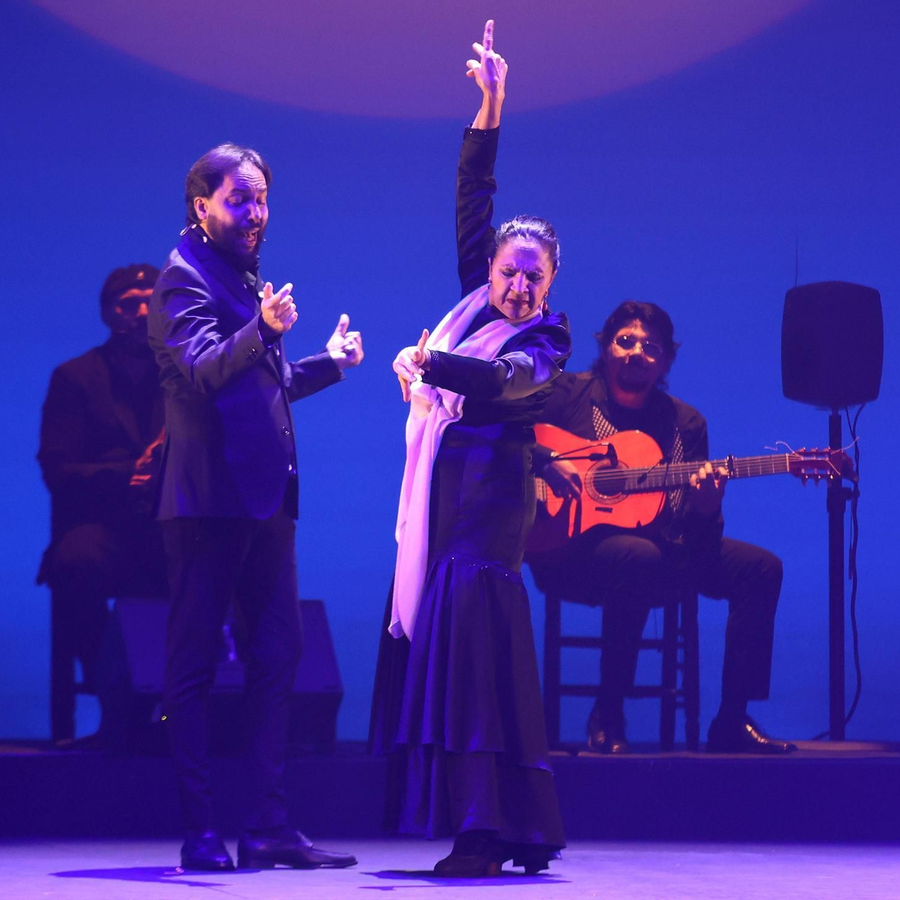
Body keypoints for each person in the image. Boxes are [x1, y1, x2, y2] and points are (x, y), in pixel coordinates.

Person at [371, 21, 570, 878]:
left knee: (478, 668)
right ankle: (498, 827)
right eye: (509, 270)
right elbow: (471, 199)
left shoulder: (548, 340)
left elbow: (504, 385)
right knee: (452, 668)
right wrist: (490, 105)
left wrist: (426, 360)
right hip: (445, 507)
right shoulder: (469, 310)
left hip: (489, 519)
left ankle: (486, 829)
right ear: (488, 271)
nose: (519, 284)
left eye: (534, 275)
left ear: (550, 285)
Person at [147, 142, 364, 871]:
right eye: (241, 199)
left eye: (263, 198)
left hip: (263, 506)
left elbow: (258, 385)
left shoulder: (239, 275)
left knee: (279, 656)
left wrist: (328, 365)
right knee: (195, 666)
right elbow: (207, 371)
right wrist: (264, 329)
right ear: (201, 204)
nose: (256, 213)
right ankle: (200, 831)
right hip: (208, 506)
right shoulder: (182, 279)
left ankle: (269, 825)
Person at [527, 301, 794, 755]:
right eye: (625, 341)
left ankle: (731, 720)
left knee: (761, 568)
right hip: (567, 550)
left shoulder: (684, 424)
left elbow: (697, 536)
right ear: (606, 348)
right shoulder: (566, 396)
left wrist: (708, 507)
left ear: (667, 360)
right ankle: (607, 713)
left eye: (650, 347)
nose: (636, 353)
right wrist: (546, 461)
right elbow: (506, 432)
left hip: (668, 550)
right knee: (638, 557)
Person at [37, 263, 167, 744]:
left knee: (209, 561)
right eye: (126, 302)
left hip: (164, 524)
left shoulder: (181, 375)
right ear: (107, 313)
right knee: (76, 562)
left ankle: (174, 709)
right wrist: (128, 474)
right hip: (102, 525)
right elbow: (58, 470)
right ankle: (115, 695)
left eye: (148, 301)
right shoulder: (74, 377)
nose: (137, 311)